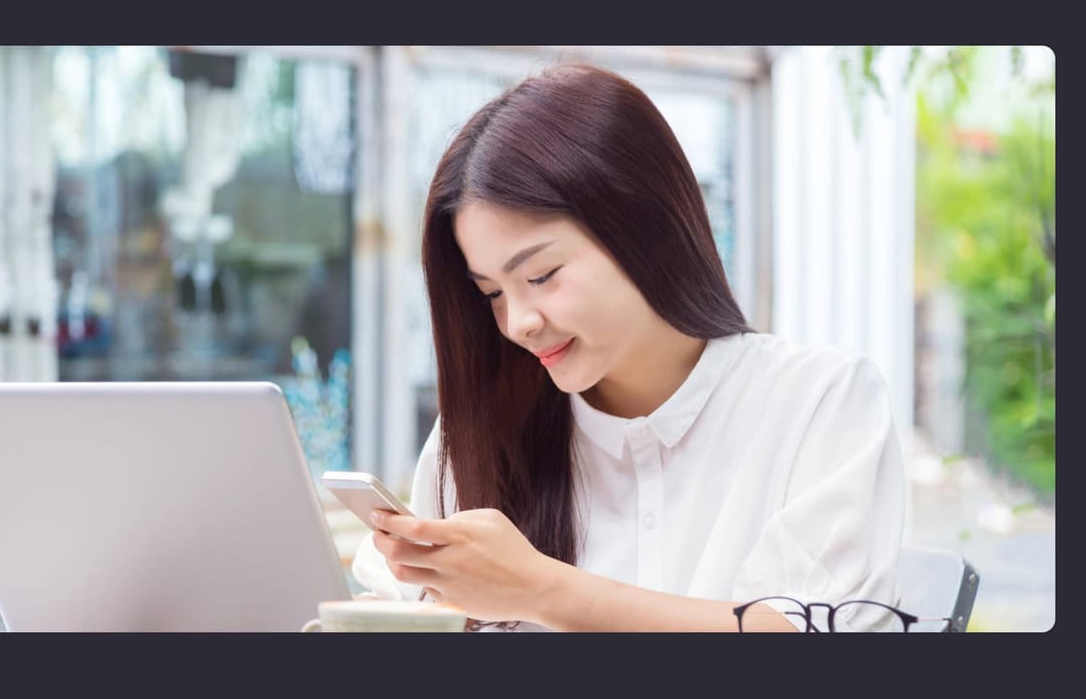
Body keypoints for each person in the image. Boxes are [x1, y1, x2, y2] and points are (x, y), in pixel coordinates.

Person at [349, 63, 906, 632]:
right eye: (491, 292)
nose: (518, 322)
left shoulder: (822, 403)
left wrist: (540, 590)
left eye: (541, 275)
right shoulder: (478, 433)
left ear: (647, 228)